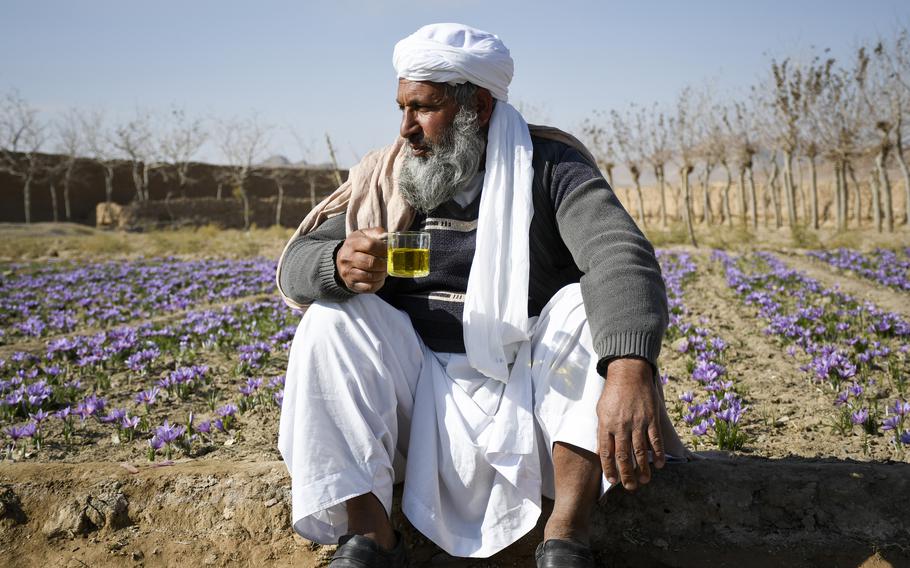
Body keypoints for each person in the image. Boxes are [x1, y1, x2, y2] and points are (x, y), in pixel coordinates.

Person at [276, 23, 687, 568]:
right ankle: (370, 538)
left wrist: (631, 370)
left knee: (583, 309)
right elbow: (296, 266)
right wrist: (336, 262)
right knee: (332, 322)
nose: (407, 130)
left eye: (423, 108)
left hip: (528, 381)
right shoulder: (388, 176)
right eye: (402, 108)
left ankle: (565, 535)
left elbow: (618, 254)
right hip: (418, 383)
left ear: (479, 107)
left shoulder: (550, 165)